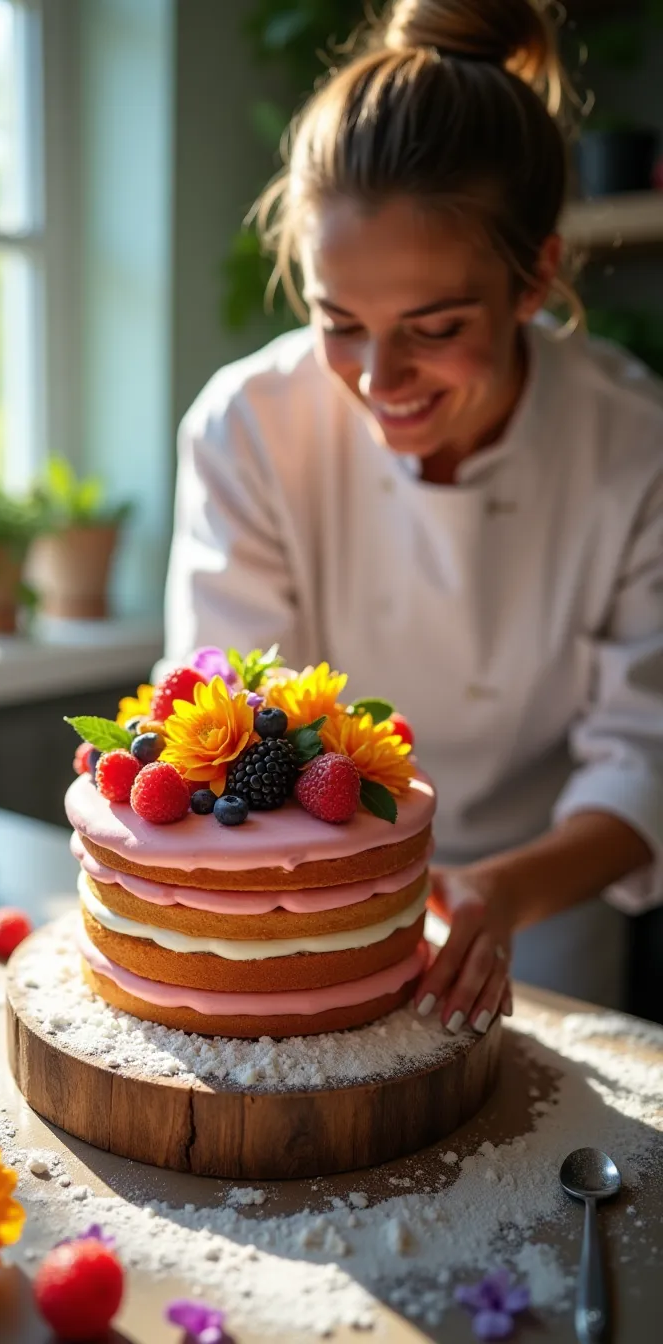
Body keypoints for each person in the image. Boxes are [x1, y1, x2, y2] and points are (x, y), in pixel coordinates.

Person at [162, 0, 663, 1030]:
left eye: (433, 327)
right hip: (308, 897)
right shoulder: (248, 427)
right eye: (338, 322)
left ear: (538, 278)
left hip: (543, 909)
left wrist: (508, 891)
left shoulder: (633, 444)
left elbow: (648, 750)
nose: (379, 378)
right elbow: (230, 714)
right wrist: (354, 899)